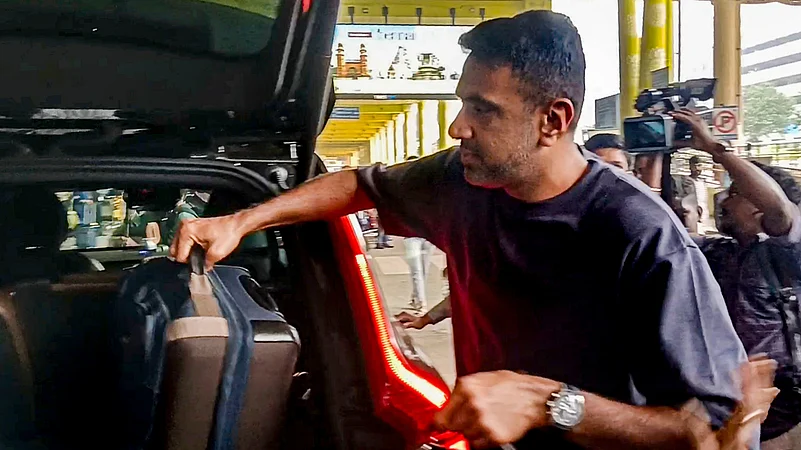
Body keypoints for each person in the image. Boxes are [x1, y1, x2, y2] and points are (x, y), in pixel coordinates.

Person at [172, 11, 748, 449]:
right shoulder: (463, 182)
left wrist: (552, 404)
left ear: (554, 119)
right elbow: (359, 185)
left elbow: (706, 427)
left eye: (483, 109)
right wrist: (241, 219)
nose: (458, 126)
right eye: (461, 104)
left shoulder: (639, 233)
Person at [669, 111, 801, 449]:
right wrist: (658, 160)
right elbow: (663, 235)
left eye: (735, 193)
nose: (723, 199)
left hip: (783, 415)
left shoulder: (788, 255)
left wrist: (716, 148)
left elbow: (780, 212)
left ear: (758, 207)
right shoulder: (719, 252)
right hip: (733, 406)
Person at [403, 155, 435, 310]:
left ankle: (420, 302)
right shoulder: (431, 187)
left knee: (417, 271)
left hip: (412, 235)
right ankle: (416, 298)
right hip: (429, 235)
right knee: (423, 270)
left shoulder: (403, 188)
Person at [689, 155, 710, 231]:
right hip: (693, 215)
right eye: (695, 166)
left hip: (704, 215)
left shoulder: (703, 182)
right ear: (690, 167)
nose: (697, 168)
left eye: (699, 165)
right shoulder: (687, 181)